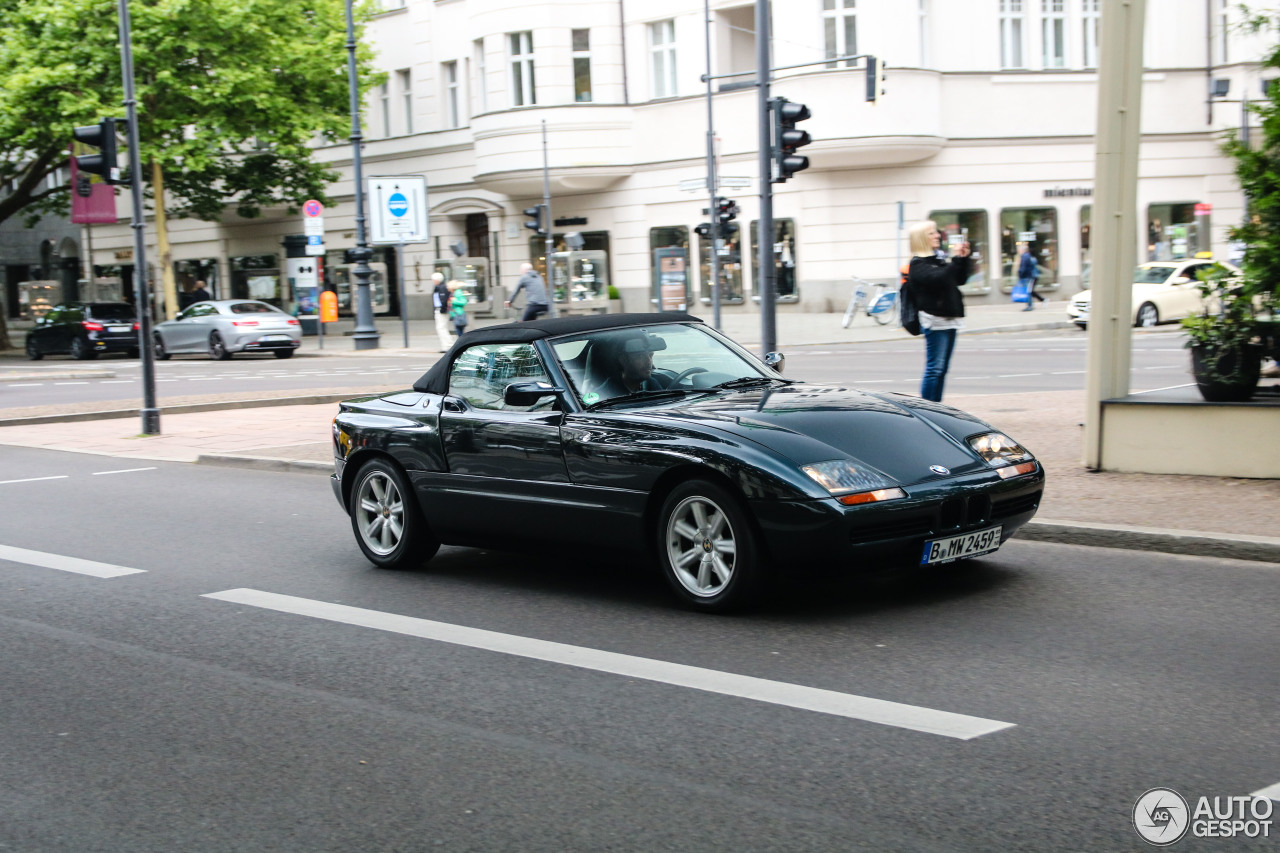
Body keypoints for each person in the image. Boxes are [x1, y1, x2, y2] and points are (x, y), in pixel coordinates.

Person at [906, 220, 971, 403]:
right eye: (931, 233)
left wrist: (963, 259)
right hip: (935, 321)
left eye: (936, 232)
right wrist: (955, 260)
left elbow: (959, 279)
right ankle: (927, 409)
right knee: (935, 368)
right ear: (921, 239)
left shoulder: (936, 260)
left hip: (949, 318)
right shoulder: (918, 264)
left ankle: (937, 407)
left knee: (942, 369)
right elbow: (941, 279)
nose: (937, 235)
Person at [590, 333, 665, 400]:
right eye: (640, 356)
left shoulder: (651, 383)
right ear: (623, 360)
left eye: (650, 355)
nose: (649, 361)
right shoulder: (604, 394)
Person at [1017, 243, 1044, 311]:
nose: (1018, 250)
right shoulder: (1027, 256)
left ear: (1022, 250)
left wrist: (1020, 274)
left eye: (1019, 249)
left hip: (1027, 277)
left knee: (1028, 291)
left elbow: (1023, 267)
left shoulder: (1025, 256)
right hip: (1028, 276)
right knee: (1029, 291)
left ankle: (1030, 306)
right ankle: (1031, 305)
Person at [431, 272, 452, 352]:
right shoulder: (439, 287)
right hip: (440, 309)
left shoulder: (441, 287)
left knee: (441, 328)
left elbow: (443, 299)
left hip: (441, 310)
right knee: (442, 328)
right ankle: (446, 345)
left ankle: (447, 346)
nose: (433, 281)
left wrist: (442, 309)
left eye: (433, 280)